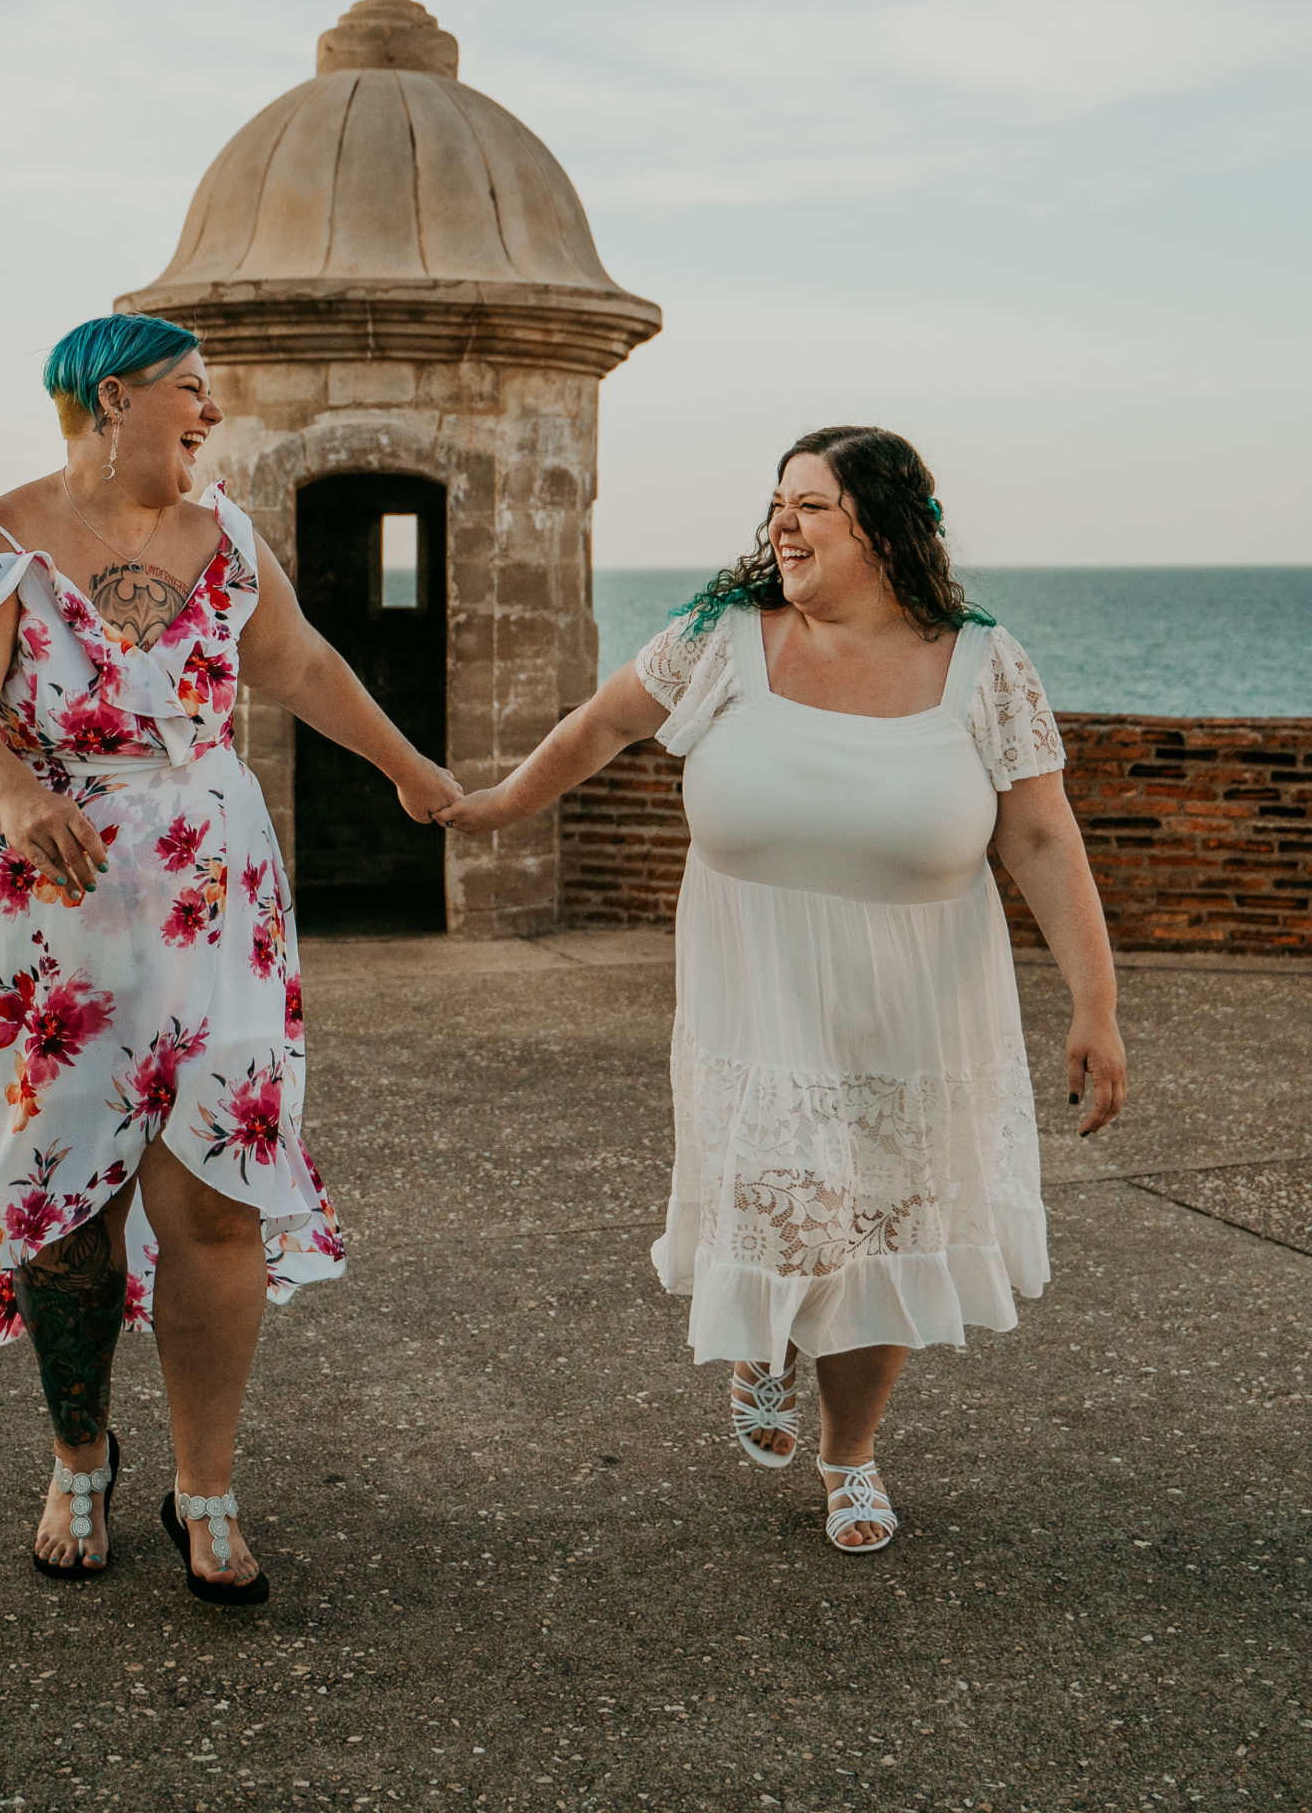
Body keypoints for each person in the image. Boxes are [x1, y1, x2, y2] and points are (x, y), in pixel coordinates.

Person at [439, 426, 1126, 1553]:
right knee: (796, 1201)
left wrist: (1092, 1007)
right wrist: (500, 806)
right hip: (757, 984)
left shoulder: (981, 662)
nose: (781, 526)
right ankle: (766, 1344)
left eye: (810, 506)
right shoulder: (720, 639)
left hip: (915, 999)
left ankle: (847, 1454)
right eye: (777, 505)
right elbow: (605, 723)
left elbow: (1043, 837)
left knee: (881, 1229)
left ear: (887, 524)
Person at [0, 314, 458, 1599]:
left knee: (214, 1194)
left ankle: (204, 1491)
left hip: (212, 898)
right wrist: (16, 797)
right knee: (68, 1206)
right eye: (190, 391)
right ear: (111, 399)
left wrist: (409, 769)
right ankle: (78, 1455)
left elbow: (301, 663)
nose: (209, 414)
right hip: (47, 908)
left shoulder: (230, 541)